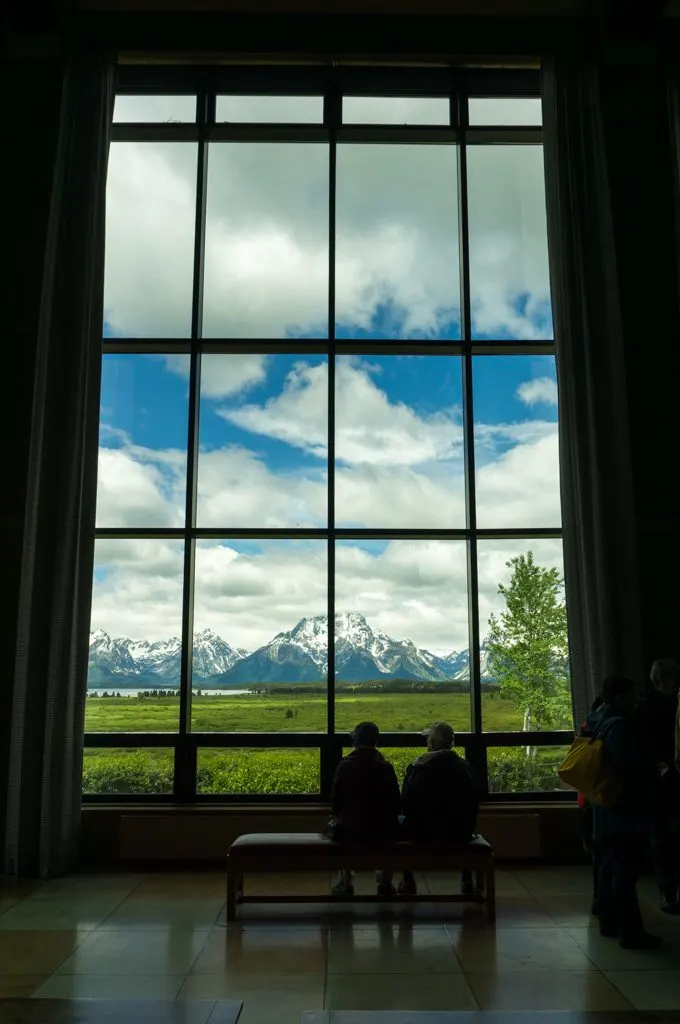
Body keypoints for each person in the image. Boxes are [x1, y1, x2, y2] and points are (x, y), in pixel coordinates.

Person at [586, 675, 661, 949]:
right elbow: (630, 767)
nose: (636, 698)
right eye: (631, 694)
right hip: (624, 807)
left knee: (608, 865)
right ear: (620, 697)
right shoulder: (620, 726)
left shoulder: (596, 719)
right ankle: (630, 931)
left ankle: (609, 920)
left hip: (604, 804)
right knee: (625, 871)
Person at [396, 722, 478, 896]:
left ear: (431, 744)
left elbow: (405, 803)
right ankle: (466, 878)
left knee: (400, 822)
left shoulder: (417, 768)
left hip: (421, 832)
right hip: (458, 834)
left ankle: (408, 880)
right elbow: (473, 805)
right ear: (452, 743)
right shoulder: (465, 768)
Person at [328, 721, 401, 898]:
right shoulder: (386, 767)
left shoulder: (345, 766)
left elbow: (336, 802)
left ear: (355, 742)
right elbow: (396, 804)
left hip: (351, 831)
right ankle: (385, 882)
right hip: (382, 832)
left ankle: (346, 881)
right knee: (394, 828)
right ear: (376, 742)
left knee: (341, 823)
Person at [638, 658, 680, 912]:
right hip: (664, 780)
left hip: (662, 779)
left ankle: (668, 892)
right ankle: (669, 891)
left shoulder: (646, 706)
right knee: (663, 836)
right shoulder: (657, 707)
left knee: (662, 837)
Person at [577, 696, 604, 915]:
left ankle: (600, 897)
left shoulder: (587, 729)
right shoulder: (613, 728)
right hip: (604, 799)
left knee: (599, 854)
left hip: (587, 799)